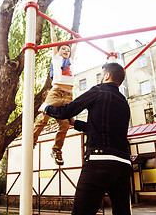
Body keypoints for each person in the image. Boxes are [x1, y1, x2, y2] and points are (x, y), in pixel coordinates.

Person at [39, 62, 132, 215]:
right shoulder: (124, 102)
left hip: (99, 161)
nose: (99, 78)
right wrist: (76, 124)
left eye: (100, 75)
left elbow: (66, 111)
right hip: (123, 164)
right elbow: (97, 127)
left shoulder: (98, 91)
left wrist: (46, 108)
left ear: (107, 76)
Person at [33, 22, 76, 166]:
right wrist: (52, 28)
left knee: (65, 125)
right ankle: (32, 139)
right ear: (59, 51)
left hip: (68, 96)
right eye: (63, 49)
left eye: (67, 50)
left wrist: (75, 38)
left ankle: (56, 150)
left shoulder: (71, 61)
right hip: (56, 92)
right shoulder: (57, 59)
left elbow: (75, 46)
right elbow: (54, 42)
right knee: (43, 116)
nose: (65, 51)